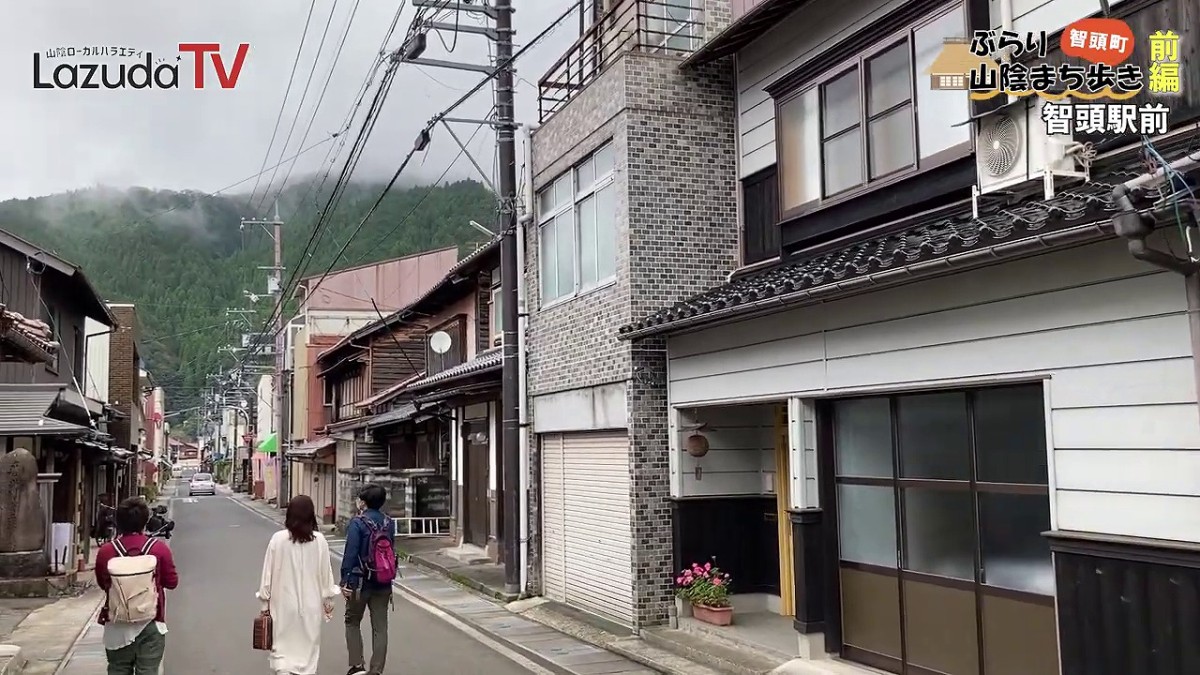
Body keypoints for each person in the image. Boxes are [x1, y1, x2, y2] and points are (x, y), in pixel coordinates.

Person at [256, 495, 341, 675]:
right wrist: (328, 603)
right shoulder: (319, 541)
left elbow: (267, 577)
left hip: (282, 606)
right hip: (311, 607)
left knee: (283, 651)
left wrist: (265, 604)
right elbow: (326, 576)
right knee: (308, 653)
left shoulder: (278, 540)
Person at [94, 497, 179, 675]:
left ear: (118, 522)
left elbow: (104, 584)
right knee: (149, 670)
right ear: (145, 521)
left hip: (117, 624)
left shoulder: (107, 551)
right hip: (151, 621)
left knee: (118, 668)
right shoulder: (159, 549)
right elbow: (172, 583)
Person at [340, 484, 396, 675]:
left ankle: (357, 666)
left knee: (352, 621)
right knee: (380, 627)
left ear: (363, 502)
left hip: (359, 582)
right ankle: (376, 670)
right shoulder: (389, 523)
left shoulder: (358, 523)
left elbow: (350, 554)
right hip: (383, 581)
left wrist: (345, 581)